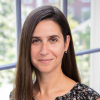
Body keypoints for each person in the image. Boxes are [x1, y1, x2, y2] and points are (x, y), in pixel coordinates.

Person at [9, 5, 100, 100]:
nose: (44, 51)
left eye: (53, 40)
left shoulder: (88, 98)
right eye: (36, 41)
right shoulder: (16, 95)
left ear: (66, 43)